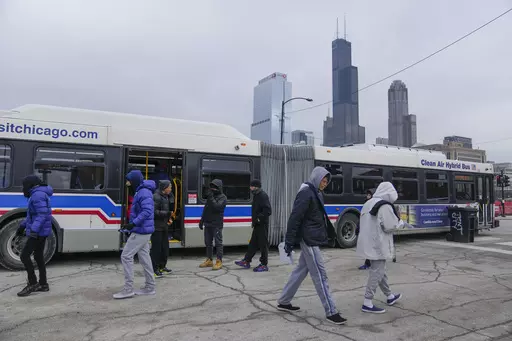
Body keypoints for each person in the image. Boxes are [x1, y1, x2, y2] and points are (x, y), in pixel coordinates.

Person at [276, 167, 347, 325]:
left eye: (327, 181)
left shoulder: (316, 193)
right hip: (309, 240)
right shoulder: (306, 193)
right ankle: (331, 311)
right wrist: (289, 241)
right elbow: (295, 217)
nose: (325, 183)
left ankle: (284, 301)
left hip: (312, 237)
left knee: (300, 271)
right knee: (320, 275)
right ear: (316, 177)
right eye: (323, 180)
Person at [356, 182, 403, 313]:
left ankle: (389, 296)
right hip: (378, 244)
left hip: (368, 243)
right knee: (377, 271)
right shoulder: (384, 205)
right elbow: (390, 226)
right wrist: (400, 223)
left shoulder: (368, 203)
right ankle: (367, 301)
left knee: (380, 270)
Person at [114, 170, 157, 299]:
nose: (127, 183)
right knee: (144, 257)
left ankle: (128, 289)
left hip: (141, 231)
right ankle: (150, 287)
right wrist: (130, 226)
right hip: (143, 230)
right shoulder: (142, 191)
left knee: (126, 256)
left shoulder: (143, 192)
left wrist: (134, 224)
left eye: (129, 180)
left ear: (134, 181)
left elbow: (147, 211)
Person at [16, 175, 53, 297]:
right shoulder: (38, 194)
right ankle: (43, 284)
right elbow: (32, 216)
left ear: (30, 185)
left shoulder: (37, 195)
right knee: (38, 257)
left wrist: (33, 230)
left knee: (24, 256)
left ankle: (33, 283)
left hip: (38, 232)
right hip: (41, 231)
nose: (23, 188)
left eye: (24, 185)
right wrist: (22, 226)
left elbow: (42, 215)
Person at [235, 179, 272, 272]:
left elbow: (268, 211)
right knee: (253, 243)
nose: (250, 188)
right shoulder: (256, 196)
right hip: (257, 224)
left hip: (262, 224)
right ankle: (246, 261)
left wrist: (259, 218)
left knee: (263, 244)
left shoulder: (263, 196)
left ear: (256, 187)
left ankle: (264, 264)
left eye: (251, 186)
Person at [198, 179, 227, 270]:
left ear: (219, 188)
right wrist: (201, 221)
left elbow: (217, 208)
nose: (212, 189)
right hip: (208, 223)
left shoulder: (223, 197)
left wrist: (210, 198)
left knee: (218, 243)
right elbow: (206, 209)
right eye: (212, 187)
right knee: (208, 243)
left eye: (215, 187)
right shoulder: (211, 197)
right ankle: (209, 260)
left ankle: (219, 261)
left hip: (216, 224)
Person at [152, 180, 173, 278]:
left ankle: (162, 266)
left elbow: (163, 211)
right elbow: (153, 212)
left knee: (165, 249)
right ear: (165, 188)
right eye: (170, 187)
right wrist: (167, 214)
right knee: (157, 249)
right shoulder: (156, 196)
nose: (171, 189)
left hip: (163, 226)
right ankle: (154, 269)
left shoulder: (165, 197)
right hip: (157, 227)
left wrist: (168, 219)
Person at [358, 189, 375, 270]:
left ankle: (368, 264)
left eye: (369, 195)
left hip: (371, 229)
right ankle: (369, 263)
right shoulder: (366, 203)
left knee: (370, 246)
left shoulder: (374, 204)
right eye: (367, 195)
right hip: (366, 228)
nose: (367, 196)